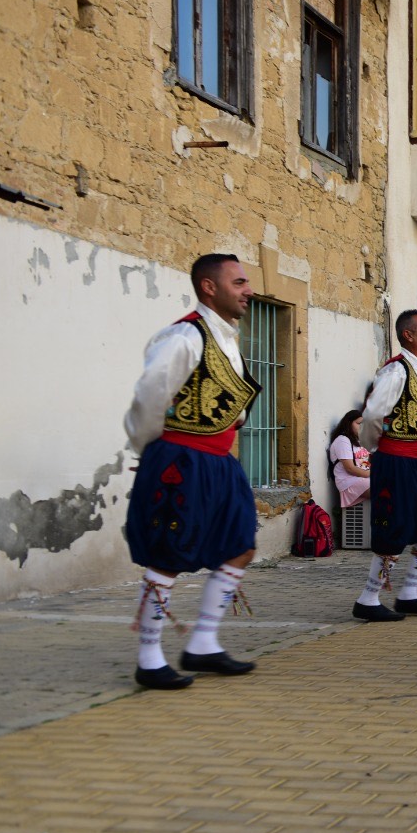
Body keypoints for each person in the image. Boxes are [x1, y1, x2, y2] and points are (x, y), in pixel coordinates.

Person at [123, 253, 263, 689]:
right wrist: (151, 451)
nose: (248, 290)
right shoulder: (185, 335)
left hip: (221, 460)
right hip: (181, 457)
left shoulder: (227, 337)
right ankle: (149, 658)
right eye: (239, 282)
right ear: (209, 287)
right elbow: (149, 397)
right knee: (167, 553)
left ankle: (202, 643)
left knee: (240, 546)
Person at [351, 311, 417, 623]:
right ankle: (368, 599)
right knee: (393, 528)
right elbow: (372, 415)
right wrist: (376, 448)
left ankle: (409, 593)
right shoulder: (396, 371)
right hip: (397, 460)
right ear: (409, 335)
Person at [328, 409, 371, 508]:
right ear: (348, 423)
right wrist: (373, 474)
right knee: (387, 491)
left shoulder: (358, 440)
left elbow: (364, 463)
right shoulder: (342, 440)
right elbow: (350, 468)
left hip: (363, 479)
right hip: (349, 483)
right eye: (359, 423)